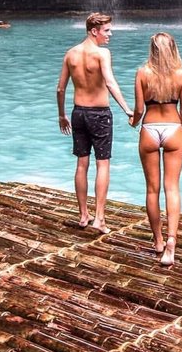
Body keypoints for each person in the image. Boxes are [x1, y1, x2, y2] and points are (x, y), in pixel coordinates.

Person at [56, 12, 133, 233]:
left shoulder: (70, 54)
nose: (110, 34)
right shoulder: (102, 54)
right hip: (99, 114)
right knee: (103, 164)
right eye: (107, 30)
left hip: (77, 113)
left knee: (81, 164)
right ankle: (99, 219)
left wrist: (62, 115)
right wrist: (127, 109)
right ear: (94, 31)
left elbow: (60, 88)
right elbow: (109, 82)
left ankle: (83, 215)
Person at [129, 32, 182, 266]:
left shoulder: (142, 73)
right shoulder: (181, 76)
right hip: (175, 129)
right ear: (173, 49)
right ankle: (171, 241)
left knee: (152, 190)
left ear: (152, 50)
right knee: (172, 188)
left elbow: (138, 110)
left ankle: (157, 241)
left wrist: (133, 122)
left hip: (150, 129)